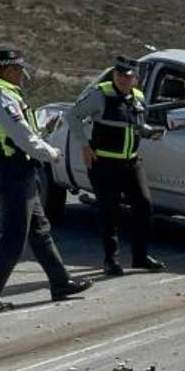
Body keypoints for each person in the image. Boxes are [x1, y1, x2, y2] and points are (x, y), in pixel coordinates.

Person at [0, 47, 92, 314]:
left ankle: (61, 282)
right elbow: (21, 137)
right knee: (14, 238)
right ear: (9, 69)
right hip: (12, 171)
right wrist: (52, 153)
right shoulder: (1, 95)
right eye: (20, 69)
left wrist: (46, 130)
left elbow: (18, 131)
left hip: (11, 168)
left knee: (38, 229)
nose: (23, 74)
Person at [68, 56, 166, 276]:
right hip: (104, 163)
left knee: (144, 206)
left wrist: (150, 133)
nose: (122, 79)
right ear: (114, 74)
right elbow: (73, 116)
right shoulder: (100, 95)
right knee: (109, 213)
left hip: (131, 162)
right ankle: (111, 261)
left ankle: (140, 257)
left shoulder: (138, 97)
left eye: (128, 76)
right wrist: (85, 146)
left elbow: (137, 126)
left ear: (136, 79)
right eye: (119, 74)